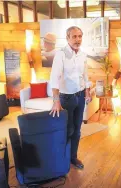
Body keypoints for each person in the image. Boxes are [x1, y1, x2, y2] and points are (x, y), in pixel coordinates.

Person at [49, 26, 91, 169]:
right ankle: (62, 158)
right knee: (67, 130)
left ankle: (73, 157)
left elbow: (85, 75)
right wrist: (56, 101)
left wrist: (87, 91)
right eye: (74, 36)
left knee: (77, 130)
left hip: (79, 96)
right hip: (66, 98)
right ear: (67, 38)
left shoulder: (83, 55)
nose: (77, 39)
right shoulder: (61, 54)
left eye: (80, 36)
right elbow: (54, 78)